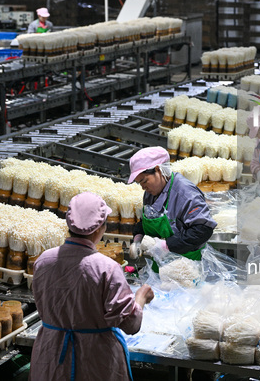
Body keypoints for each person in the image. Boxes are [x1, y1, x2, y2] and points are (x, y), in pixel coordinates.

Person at [30, 192, 155, 381]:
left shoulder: (44, 261)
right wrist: (141, 298)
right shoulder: (107, 268)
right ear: (100, 229)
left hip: (51, 355)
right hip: (95, 361)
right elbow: (130, 324)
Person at [128, 147, 217, 270]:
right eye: (140, 183)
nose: (143, 187)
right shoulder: (150, 193)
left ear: (158, 170)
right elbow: (148, 221)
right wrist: (138, 239)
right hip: (161, 266)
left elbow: (202, 229)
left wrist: (166, 246)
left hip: (187, 266)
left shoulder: (185, 192)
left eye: (144, 181)